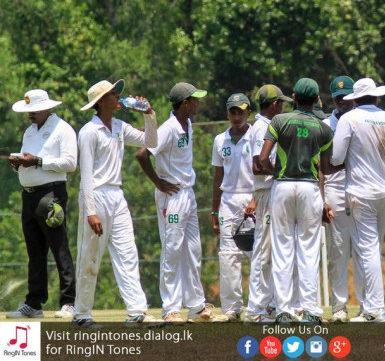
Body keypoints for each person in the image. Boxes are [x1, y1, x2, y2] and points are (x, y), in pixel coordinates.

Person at [73, 79, 159, 328]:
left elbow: (150, 142)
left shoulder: (119, 127)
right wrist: (91, 211)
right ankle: (81, 315)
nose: (118, 96)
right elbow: (86, 175)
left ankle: (136, 312)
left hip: (117, 197)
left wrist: (149, 114)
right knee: (90, 257)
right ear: (100, 102)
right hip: (96, 196)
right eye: (113, 94)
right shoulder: (89, 132)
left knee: (127, 253)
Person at [135, 82, 216, 323]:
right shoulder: (168, 128)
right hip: (171, 196)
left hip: (187, 194)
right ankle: (170, 308)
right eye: (194, 100)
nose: (198, 103)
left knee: (193, 250)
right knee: (172, 249)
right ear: (185, 103)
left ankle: (196, 307)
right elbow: (142, 154)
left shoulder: (187, 123)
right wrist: (158, 183)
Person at [331, 78, 385, 323]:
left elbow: (336, 158)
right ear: (376, 97)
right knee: (373, 249)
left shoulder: (348, 119)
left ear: (354, 99)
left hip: (360, 193)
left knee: (367, 250)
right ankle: (371, 307)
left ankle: (374, 309)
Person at [259, 78, 334, 324]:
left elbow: (262, 158)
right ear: (315, 100)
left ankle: (283, 311)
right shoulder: (324, 128)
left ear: (293, 97)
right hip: (309, 187)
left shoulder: (279, 121)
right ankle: (310, 310)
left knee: (282, 249)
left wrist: (275, 169)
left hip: (281, 185)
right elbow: (325, 168)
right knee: (309, 250)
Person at [7, 89, 77, 319]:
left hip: (51, 195)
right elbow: (32, 160)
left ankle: (69, 302)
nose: (30, 115)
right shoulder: (29, 131)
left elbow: (70, 163)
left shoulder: (63, 129)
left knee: (58, 246)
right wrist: (20, 164)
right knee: (34, 250)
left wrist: (37, 161)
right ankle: (34, 303)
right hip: (28, 196)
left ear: (47, 107)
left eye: (34, 110)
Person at [244, 84, 292, 323]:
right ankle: (255, 310)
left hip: (271, 192)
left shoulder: (266, 125)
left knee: (272, 252)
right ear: (274, 104)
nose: (282, 107)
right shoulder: (262, 127)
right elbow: (257, 165)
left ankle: (268, 305)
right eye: (280, 103)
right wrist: (279, 171)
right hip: (265, 192)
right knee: (263, 252)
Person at [322, 75, 365, 323]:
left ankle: (364, 305)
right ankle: (339, 307)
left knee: (361, 250)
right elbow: (321, 164)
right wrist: (322, 199)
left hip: (360, 188)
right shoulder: (325, 124)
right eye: (338, 96)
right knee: (337, 251)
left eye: (347, 95)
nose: (343, 100)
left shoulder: (361, 119)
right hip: (335, 189)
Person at [211, 93, 255, 322]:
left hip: (252, 200)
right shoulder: (220, 140)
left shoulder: (257, 136)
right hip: (228, 201)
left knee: (258, 255)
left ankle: (263, 305)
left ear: (249, 112)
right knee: (228, 255)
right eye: (233, 112)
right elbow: (218, 177)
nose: (237, 117)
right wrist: (214, 210)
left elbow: (263, 171)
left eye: (241, 112)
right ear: (227, 114)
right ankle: (232, 309)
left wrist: (255, 199)